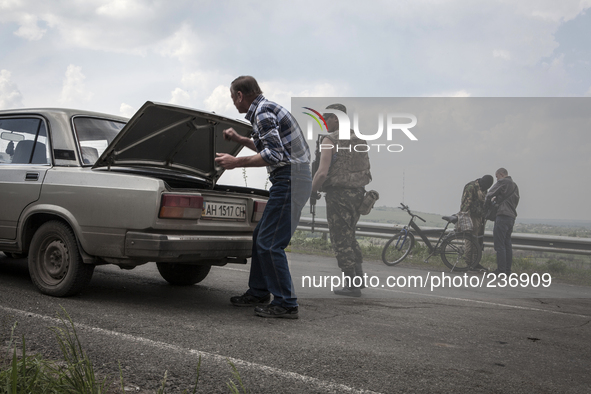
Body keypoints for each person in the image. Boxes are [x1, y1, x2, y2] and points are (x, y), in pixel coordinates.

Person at [214, 76, 311, 319]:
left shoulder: (263, 112)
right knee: (262, 236)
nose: (234, 103)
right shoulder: (267, 109)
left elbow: (274, 155)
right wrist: (240, 140)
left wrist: (236, 162)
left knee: (270, 242)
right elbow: (268, 147)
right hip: (292, 179)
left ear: (239, 95)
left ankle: (286, 303)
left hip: (290, 179)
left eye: (232, 97)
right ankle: (258, 292)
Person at [310, 103, 372, 297]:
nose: (324, 121)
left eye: (326, 117)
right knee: (350, 235)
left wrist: (312, 191)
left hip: (339, 196)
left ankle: (351, 285)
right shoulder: (359, 139)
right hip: (359, 195)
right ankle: (358, 278)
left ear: (336, 118)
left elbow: (321, 173)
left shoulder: (331, 140)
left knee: (340, 239)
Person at [485, 168, 520, 276]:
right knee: (507, 244)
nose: (496, 179)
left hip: (502, 216)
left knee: (499, 245)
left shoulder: (502, 182)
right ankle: (507, 270)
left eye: (496, 177)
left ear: (501, 174)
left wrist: (487, 206)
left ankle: (501, 270)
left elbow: (489, 194)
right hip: (511, 217)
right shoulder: (515, 186)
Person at [460, 175, 494, 272]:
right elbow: (466, 203)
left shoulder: (483, 188)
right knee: (470, 240)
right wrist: (464, 218)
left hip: (480, 217)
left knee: (478, 240)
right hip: (471, 216)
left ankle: (475, 262)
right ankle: (469, 263)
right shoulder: (471, 186)